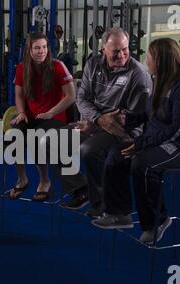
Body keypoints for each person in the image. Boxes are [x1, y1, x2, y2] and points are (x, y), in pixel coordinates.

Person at [93, 38, 180, 245]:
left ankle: (157, 221)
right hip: (164, 140)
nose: (146, 62)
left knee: (143, 165)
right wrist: (127, 118)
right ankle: (119, 212)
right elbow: (151, 114)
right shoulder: (162, 80)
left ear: (160, 60)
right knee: (116, 154)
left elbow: (179, 129)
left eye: (149, 57)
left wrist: (141, 145)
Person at [51, 27, 152, 217]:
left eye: (125, 49)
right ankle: (81, 189)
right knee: (49, 141)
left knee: (89, 150)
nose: (122, 55)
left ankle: (101, 203)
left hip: (124, 133)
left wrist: (94, 121)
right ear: (103, 49)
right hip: (94, 124)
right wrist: (96, 118)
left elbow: (130, 118)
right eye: (116, 51)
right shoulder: (93, 64)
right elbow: (82, 99)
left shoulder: (138, 74)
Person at [8, 32, 76, 201]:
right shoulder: (22, 68)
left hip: (55, 118)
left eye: (44, 47)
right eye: (37, 48)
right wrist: (22, 112)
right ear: (29, 50)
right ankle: (22, 178)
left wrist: (51, 112)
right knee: (14, 135)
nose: (41, 51)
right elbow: (18, 95)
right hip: (32, 117)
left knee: (37, 138)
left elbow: (70, 96)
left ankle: (44, 181)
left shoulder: (58, 66)